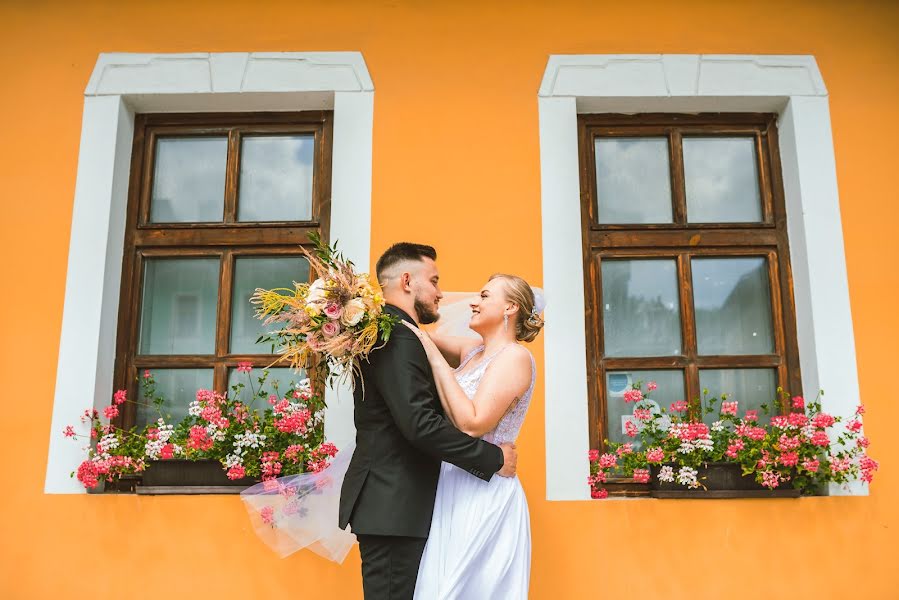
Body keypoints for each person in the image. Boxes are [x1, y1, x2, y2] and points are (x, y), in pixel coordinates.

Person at [338, 243, 520, 600]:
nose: (441, 293)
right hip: (394, 507)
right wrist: (494, 458)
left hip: (405, 505)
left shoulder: (397, 332)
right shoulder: (396, 336)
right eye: (434, 281)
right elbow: (418, 423)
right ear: (407, 281)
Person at [404, 272, 542, 599]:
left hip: (484, 491)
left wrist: (437, 363)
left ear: (510, 307)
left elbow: (473, 424)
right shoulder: (471, 352)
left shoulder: (515, 358)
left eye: (483, 296)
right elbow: (416, 334)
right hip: (450, 484)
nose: (472, 302)